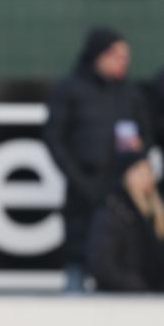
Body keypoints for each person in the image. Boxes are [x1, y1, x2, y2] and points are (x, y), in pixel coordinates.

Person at [45, 28, 152, 292]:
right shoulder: (71, 89)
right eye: (115, 55)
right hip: (83, 187)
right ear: (98, 55)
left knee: (119, 262)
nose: (122, 62)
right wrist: (79, 178)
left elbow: (146, 136)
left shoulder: (130, 94)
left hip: (122, 195)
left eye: (125, 56)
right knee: (78, 257)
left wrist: (137, 152)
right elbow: (54, 138)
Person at [86, 154, 164, 291]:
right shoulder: (113, 212)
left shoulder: (156, 214)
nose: (146, 177)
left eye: (148, 171)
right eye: (139, 171)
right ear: (125, 176)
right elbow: (102, 266)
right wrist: (139, 288)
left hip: (153, 298)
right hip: (121, 301)